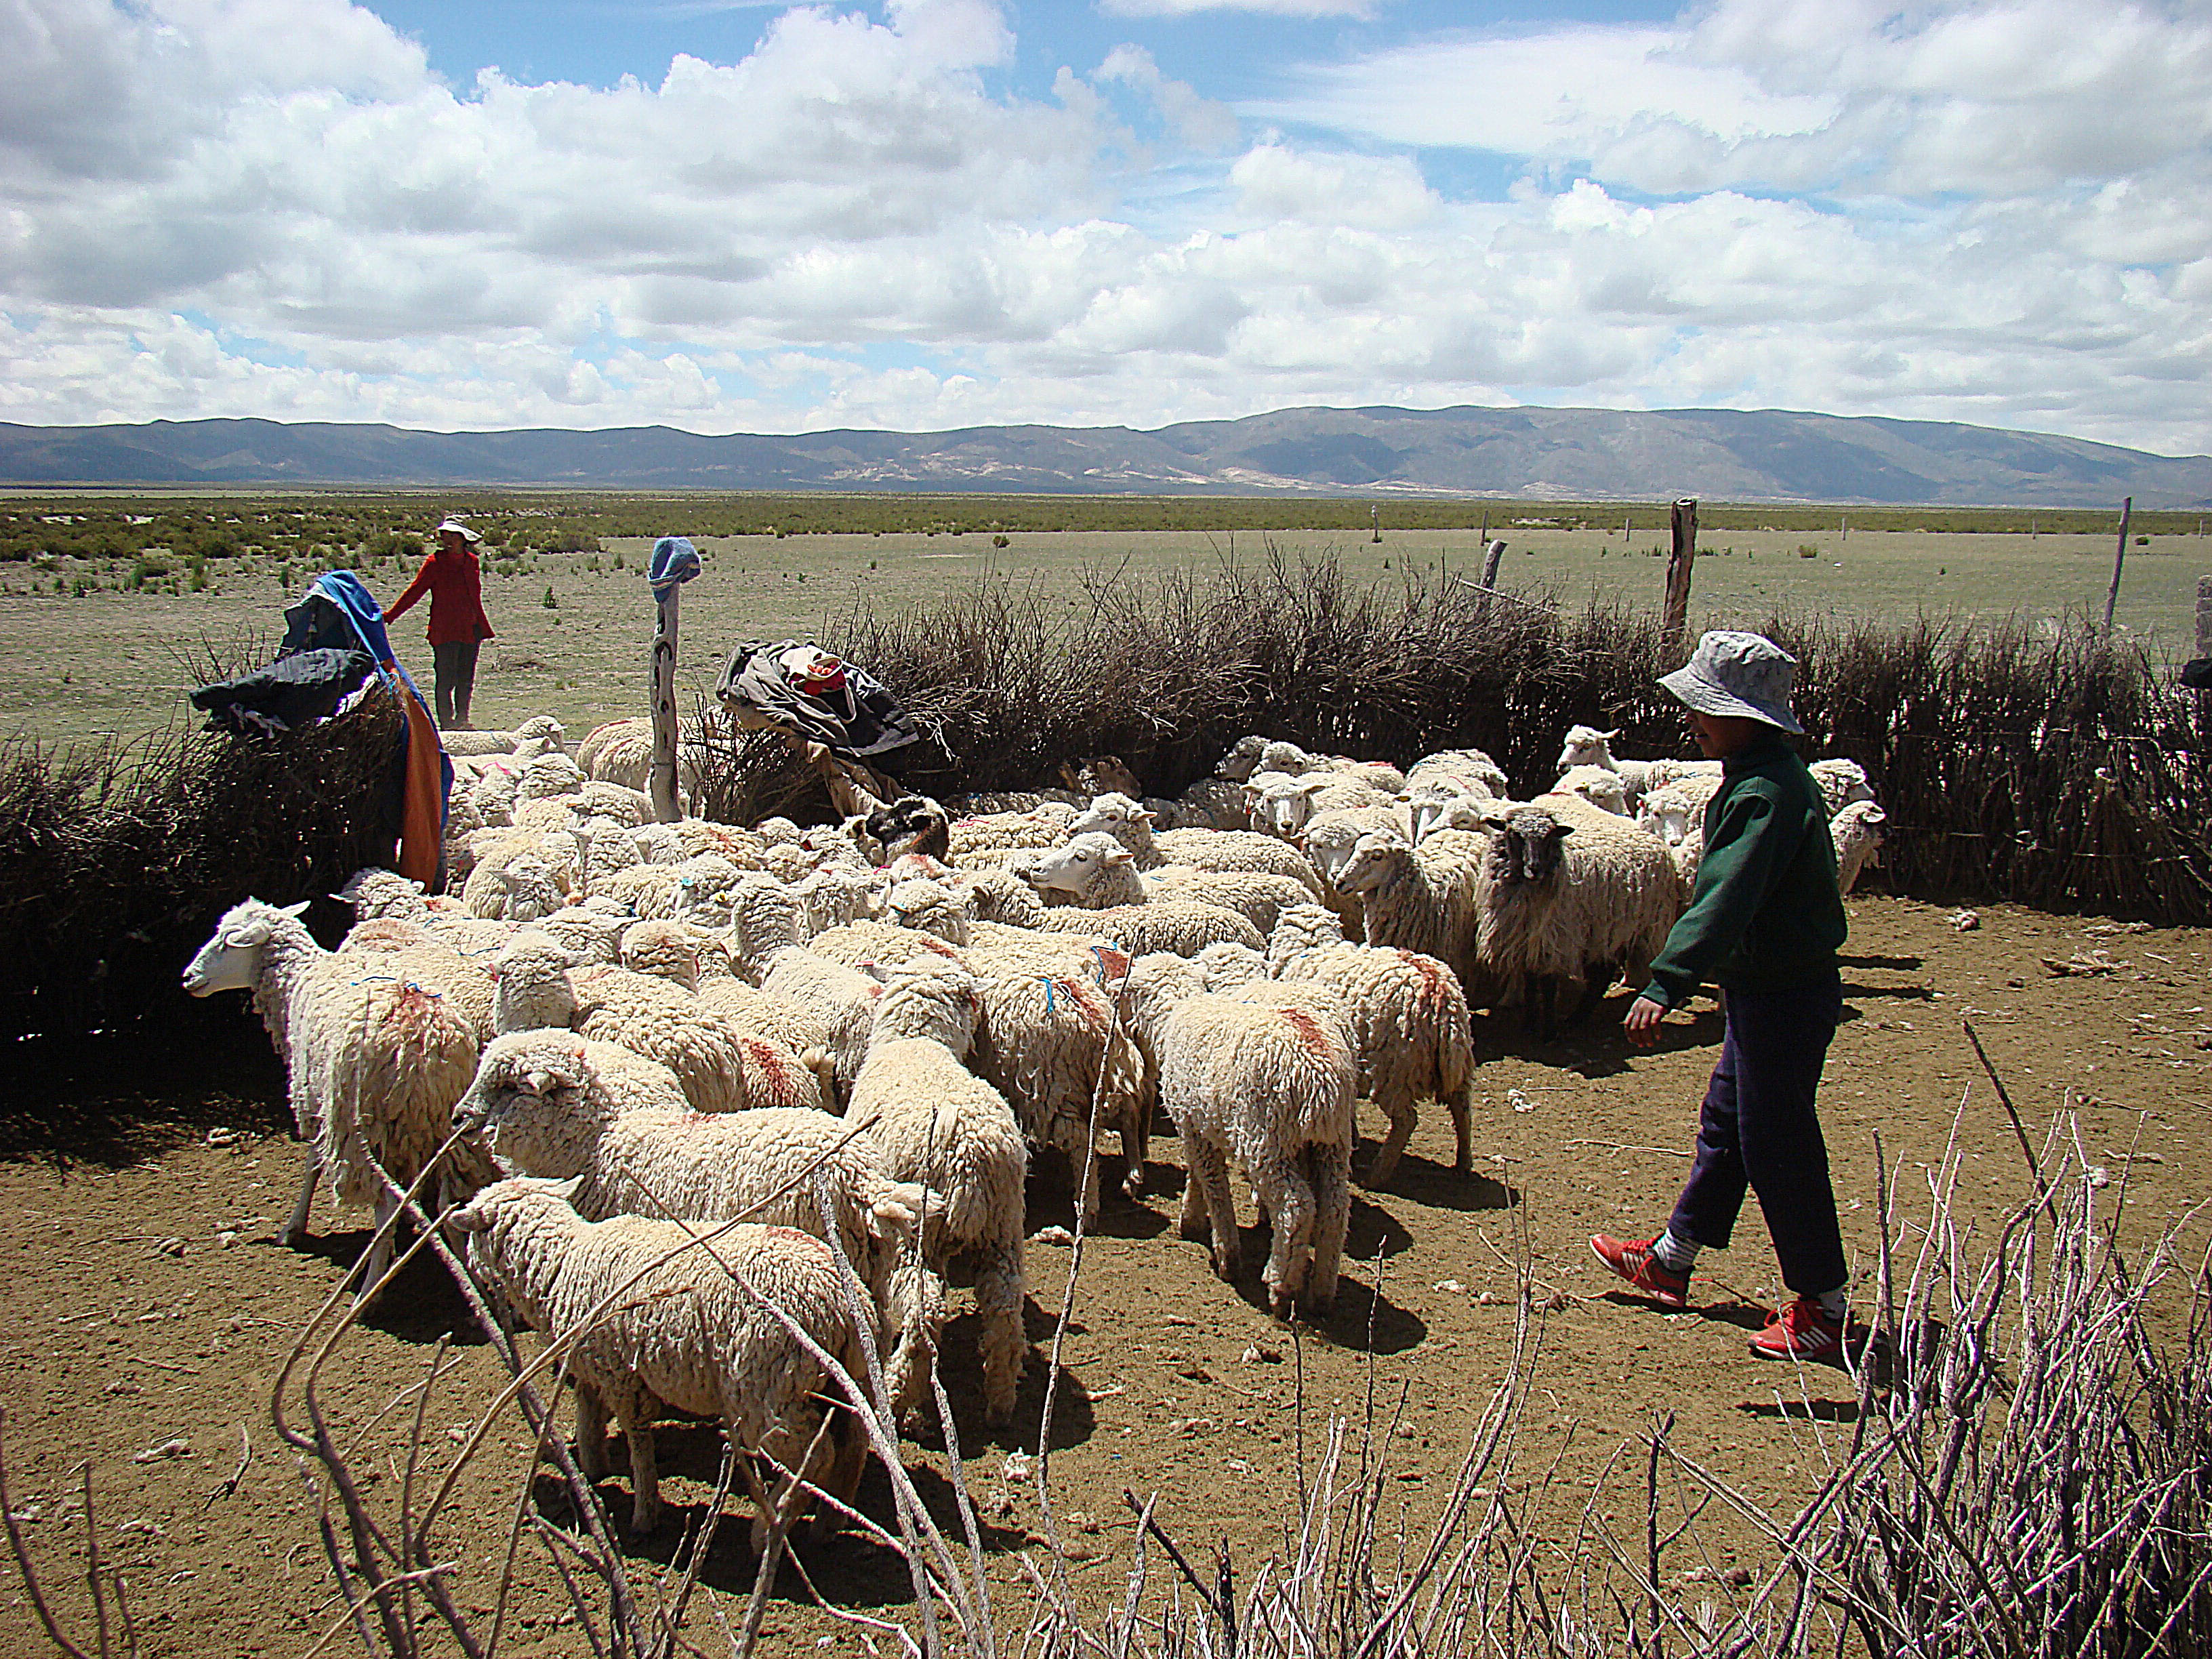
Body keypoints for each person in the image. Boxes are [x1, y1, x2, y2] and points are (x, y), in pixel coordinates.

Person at [1589, 630, 1855, 1361]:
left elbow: (1726, 898)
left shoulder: (1765, 794)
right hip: (1765, 989)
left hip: (1785, 996)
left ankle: (1824, 1305)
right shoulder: (1758, 777)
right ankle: (1671, 1258)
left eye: (1709, 708)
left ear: (1751, 719)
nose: (1694, 720)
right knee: (1730, 1122)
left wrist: (1667, 981)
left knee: (1778, 1141)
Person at [386, 518, 495, 730]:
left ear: (463, 539)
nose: (449, 540)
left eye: (453, 536)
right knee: (446, 679)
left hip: (471, 628)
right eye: (445, 536)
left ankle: (462, 720)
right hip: (444, 629)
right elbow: (415, 591)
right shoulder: (435, 563)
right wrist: (391, 616)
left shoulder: (472, 562)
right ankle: (447, 725)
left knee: (465, 677)